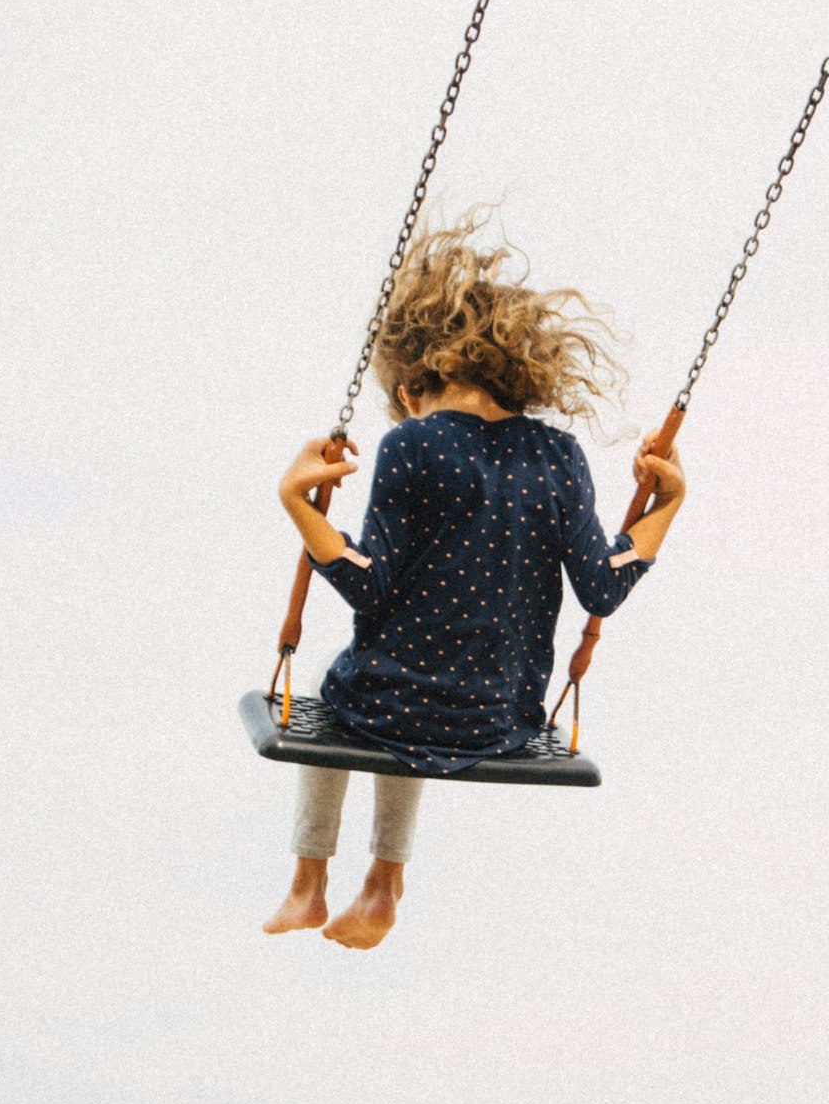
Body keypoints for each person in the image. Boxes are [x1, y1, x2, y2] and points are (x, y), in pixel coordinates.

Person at [263, 209, 686, 947]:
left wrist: (298, 502)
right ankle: (384, 885)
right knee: (410, 686)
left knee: (348, 697)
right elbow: (604, 587)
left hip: (389, 704)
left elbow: (368, 582)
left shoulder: (411, 445)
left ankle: (308, 882)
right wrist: (670, 501)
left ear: (410, 384)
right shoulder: (558, 457)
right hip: (498, 720)